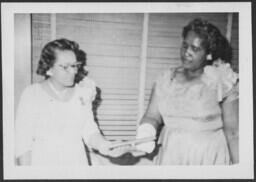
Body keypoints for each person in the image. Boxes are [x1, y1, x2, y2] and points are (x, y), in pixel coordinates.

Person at [135, 18, 239, 165]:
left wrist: (241, 170)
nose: (187, 53)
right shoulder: (166, 79)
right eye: (185, 45)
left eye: (195, 49)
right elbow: (152, 116)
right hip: (171, 155)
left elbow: (234, 132)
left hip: (207, 157)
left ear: (209, 54)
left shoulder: (222, 80)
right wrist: (145, 134)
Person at [15, 38, 115, 166]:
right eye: (66, 67)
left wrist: (104, 145)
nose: (73, 71)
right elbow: (22, 145)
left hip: (76, 164)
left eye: (74, 65)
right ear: (49, 68)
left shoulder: (82, 93)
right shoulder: (32, 94)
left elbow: (89, 130)